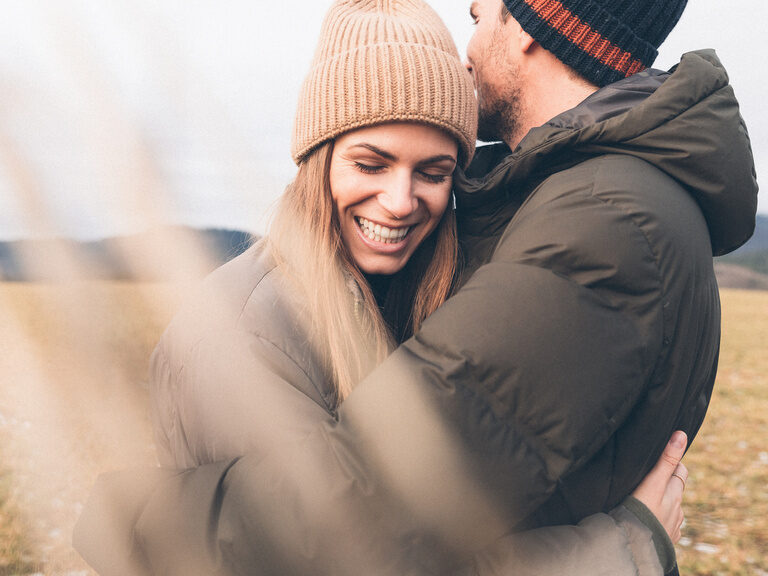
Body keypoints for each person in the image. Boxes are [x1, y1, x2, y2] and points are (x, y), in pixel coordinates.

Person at [74, 0, 754, 573]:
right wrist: (622, 550)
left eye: (434, 171)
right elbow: (336, 547)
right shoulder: (243, 335)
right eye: (371, 161)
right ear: (317, 157)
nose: (400, 201)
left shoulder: (566, 233)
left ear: (525, 25)